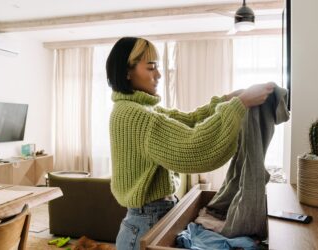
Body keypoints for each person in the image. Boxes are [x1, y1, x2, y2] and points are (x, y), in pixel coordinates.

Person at [106, 37, 275, 250]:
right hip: (146, 223)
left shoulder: (141, 110)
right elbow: (192, 147)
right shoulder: (133, 115)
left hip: (153, 217)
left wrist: (226, 100)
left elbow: (189, 119)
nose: (158, 75)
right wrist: (239, 105)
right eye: (151, 68)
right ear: (126, 72)